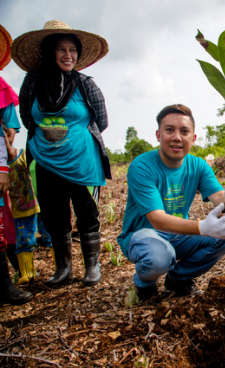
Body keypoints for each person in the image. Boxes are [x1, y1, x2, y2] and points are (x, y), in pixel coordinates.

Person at [117, 104, 225, 301]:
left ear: (193, 138)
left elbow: (219, 198)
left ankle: (178, 279)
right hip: (142, 236)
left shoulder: (198, 166)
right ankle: (144, 285)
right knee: (161, 256)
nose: (177, 137)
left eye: (184, 131)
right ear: (158, 135)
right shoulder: (142, 166)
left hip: (178, 235)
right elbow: (157, 219)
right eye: (169, 130)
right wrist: (203, 227)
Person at [12, 20, 110, 287]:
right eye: (61, 49)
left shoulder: (85, 84)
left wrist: (72, 138)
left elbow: (101, 120)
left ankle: (92, 266)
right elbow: (27, 119)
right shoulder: (32, 83)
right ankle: (63, 269)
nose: (68, 55)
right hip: (45, 159)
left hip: (82, 160)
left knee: (87, 212)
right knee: (55, 215)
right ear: (48, 52)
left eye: (73, 50)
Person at [0, 23, 33, 305]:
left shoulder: (2, 89)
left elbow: (9, 131)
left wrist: (3, 166)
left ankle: (5, 284)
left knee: (3, 225)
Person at [4, 126, 53, 284]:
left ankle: (61, 266)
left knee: (50, 234)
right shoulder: (1, 164)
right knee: (24, 240)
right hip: (20, 209)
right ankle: (27, 273)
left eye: (6, 136)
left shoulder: (23, 154)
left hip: (38, 203)